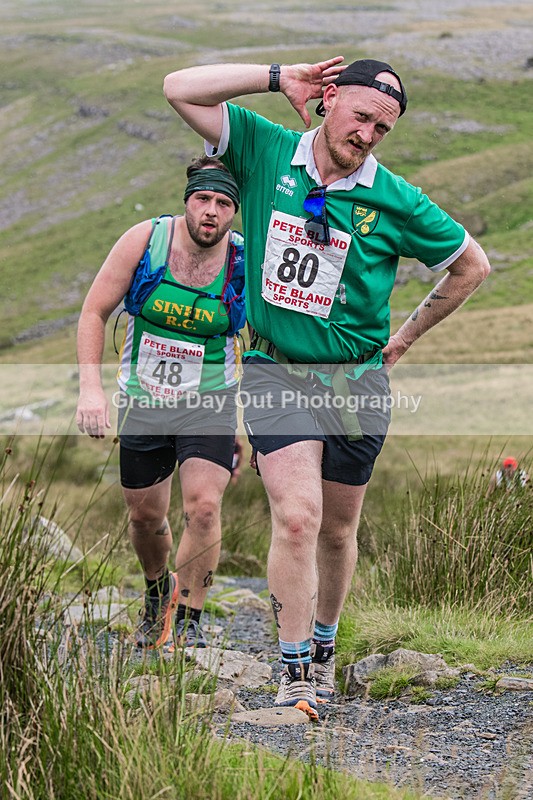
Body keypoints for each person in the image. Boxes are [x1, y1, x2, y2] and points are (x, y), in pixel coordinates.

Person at [163, 57, 491, 718]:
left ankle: (322, 644)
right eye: (362, 117)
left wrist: (405, 337)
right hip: (277, 368)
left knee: (337, 530)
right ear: (329, 98)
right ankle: (292, 677)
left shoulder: (395, 199)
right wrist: (274, 76)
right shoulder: (265, 148)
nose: (368, 134)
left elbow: (469, 266)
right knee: (297, 516)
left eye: (383, 128)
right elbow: (177, 89)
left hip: (357, 380)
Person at [76, 156, 245, 650]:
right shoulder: (144, 241)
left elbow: (265, 333)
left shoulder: (242, 258)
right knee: (145, 517)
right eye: (203, 200)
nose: (211, 212)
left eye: (223, 203)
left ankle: (187, 627)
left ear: (234, 211)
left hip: (210, 399)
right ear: (187, 200)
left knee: (205, 507)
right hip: (145, 400)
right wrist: (92, 389)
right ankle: (158, 590)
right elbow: (94, 311)